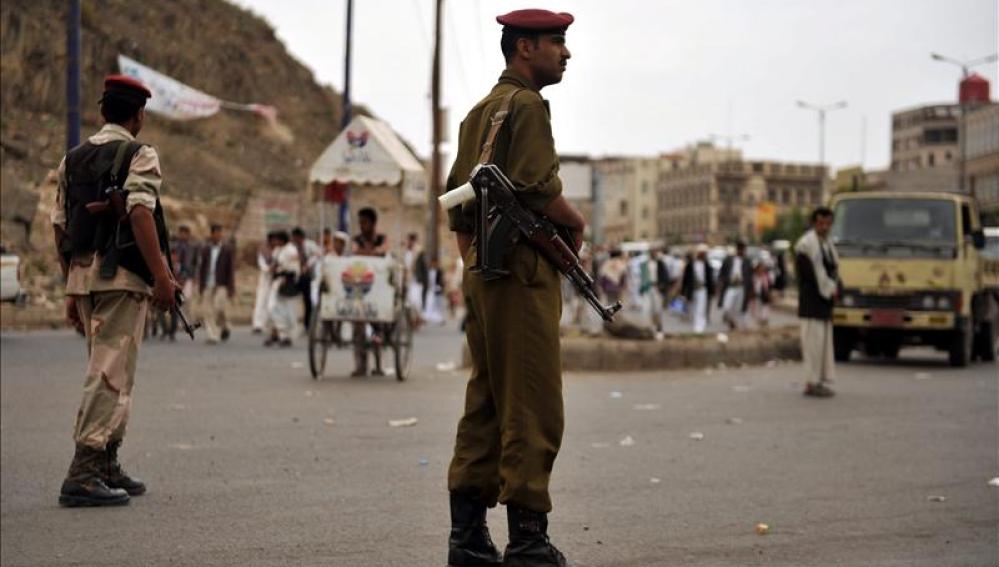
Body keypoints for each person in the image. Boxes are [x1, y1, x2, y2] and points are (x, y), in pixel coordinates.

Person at [443, 9, 581, 566]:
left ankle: (468, 537)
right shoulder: (527, 106)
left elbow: (457, 206)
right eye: (556, 43)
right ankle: (527, 540)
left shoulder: (479, 113)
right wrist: (578, 225)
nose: (565, 54)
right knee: (532, 401)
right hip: (520, 276)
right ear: (524, 48)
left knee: (488, 401)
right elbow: (537, 188)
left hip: (483, 272)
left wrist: (475, 267)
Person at [51, 75, 179, 507]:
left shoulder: (73, 158)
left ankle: (107, 460)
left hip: (84, 277)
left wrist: (71, 285)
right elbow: (142, 213)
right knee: (109, 372)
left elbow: (60, 226)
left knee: (111, 371)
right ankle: (84, 470)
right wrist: (162, 276)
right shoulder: (139, 154)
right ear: (138, 114)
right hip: (121, 279)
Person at [795, 208, 841, 397]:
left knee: (822, 347)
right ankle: (811, 383)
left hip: (824, 303)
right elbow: (810, 276)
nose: (824, 227)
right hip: (811, 303)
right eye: (821, 223)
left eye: (828, 223)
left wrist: (835, 289)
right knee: (812, 347)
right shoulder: (805, 246)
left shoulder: (828, 245)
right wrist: (829, 289)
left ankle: (819, 381)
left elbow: (833, 271)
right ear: (814, 223)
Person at [351, 208, 388, 376]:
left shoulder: (381, 239)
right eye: (360, 223)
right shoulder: (356, 240)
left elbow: (384, 252)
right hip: (361, 290)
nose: (361, 226)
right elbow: (354, 252)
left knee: (377, 328)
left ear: (373, 223)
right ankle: (360, 365)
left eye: (364, 222)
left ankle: (378, 364)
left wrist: (367, 252)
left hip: (379, 291)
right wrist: (373, 253)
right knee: (358, 329)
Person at [197, 224, 235, 344]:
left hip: (222, 284)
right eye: (217, 233)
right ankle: (212, 335)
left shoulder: (227, 250)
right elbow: (202, 268)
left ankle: (225, 326)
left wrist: (231, 287)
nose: (219, 235)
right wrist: (201, 285)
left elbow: (230, 270)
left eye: (220, 233)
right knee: (207, 310)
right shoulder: (206, 249)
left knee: (219, 308)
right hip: (208, 283)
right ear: (212, 234)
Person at [266, 230, 299, 347]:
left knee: (288, 310)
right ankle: (279, 333)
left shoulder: (291, 250)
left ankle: (286, 336)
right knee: (273, 308)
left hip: (287, 281)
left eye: (276, 240)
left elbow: (294, 268)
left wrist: (286, 277)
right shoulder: (278, 250)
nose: (274, 242)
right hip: (277, 282)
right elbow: (274, 264)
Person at [717, 241, 754, 330]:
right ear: (737, 249)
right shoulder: (729, 259)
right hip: (730, 287)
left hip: (741, 287)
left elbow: (750, 277)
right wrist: (720, 285)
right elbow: (722, 273)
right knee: (727, 307)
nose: (741, 251)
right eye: (740, 248)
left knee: (738, 308)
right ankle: (731, 321)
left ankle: (734, 325)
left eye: (743, 249)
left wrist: (751, 290)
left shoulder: (747, 261)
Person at [291, 227, 322, 332]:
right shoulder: (294, 247)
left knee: (308, 300)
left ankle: (308, 324)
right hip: (299, 276)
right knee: (296, 298)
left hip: (309, 277)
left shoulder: (310, 245)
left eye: (295, 237)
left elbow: (318, 255)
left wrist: (308, 265)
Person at [681, 244, 715, 334]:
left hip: (702, 290)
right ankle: (696, 327)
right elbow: (686, 279)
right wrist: (683, 292)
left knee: (701, 309)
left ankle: (700, 329)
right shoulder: (691, 264)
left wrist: (712, 291)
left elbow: (710, 279)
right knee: (694, 308)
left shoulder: (707, 265)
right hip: (693, 289)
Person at [252, 232, 278, 334]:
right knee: (261, 300)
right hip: (265, 278)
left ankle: (266, 323)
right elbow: (261, 263)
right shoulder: (263, 250)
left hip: (275, 279)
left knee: (270, 302)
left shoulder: (278, 250)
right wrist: (268, 269)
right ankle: (257, 324)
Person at [752, 260, 773, 327]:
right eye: (760, 268)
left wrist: (769, 294)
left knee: (765, 312)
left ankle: (764, 323)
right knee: (757, 314)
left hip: (764, 297)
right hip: (756, 297)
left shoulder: (766, 276)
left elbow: (769, 287)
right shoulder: (754, 277)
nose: (761, 269)